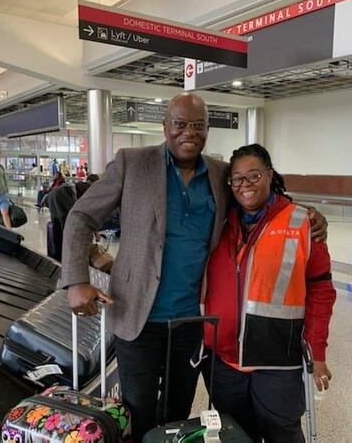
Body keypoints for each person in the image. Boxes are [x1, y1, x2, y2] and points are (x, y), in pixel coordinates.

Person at [60, 93, 328, 442]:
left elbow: (257, 197)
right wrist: (76, 280)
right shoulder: (132, 162)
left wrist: (306, 214)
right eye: (180, 124)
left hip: (191, 323)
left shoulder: (219, 174)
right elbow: (81, 216)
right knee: (138, 408)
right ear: (165, 127)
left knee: (177, 411)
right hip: (137, 316)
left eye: (198, 125)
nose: (189, 132)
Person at [201, 144, 336, 442]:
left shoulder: (302, 223)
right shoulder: (219, 222)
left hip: (278, 361)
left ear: (269, 175)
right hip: (223, 361)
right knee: (236, 435)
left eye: (253, 176)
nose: (245, 185)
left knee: (281, 433)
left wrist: (317, 352)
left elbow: (321, 291)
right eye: (237, 179)